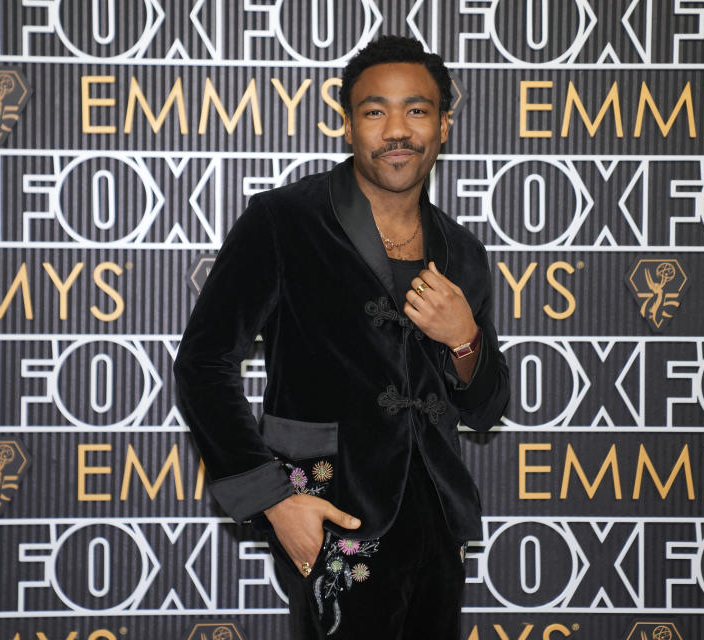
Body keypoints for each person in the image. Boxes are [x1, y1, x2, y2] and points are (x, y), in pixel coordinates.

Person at [174, 35, 509, 639]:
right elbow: (203, 363)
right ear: (349, 126)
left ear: (444, 126)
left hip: (437, 518)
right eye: (375, 111)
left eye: (418, 110)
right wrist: (275, 500)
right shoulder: (284, 221)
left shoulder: (463, 251)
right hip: (331, 513)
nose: (397, 129)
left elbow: (484, 407)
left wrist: (465, 339)